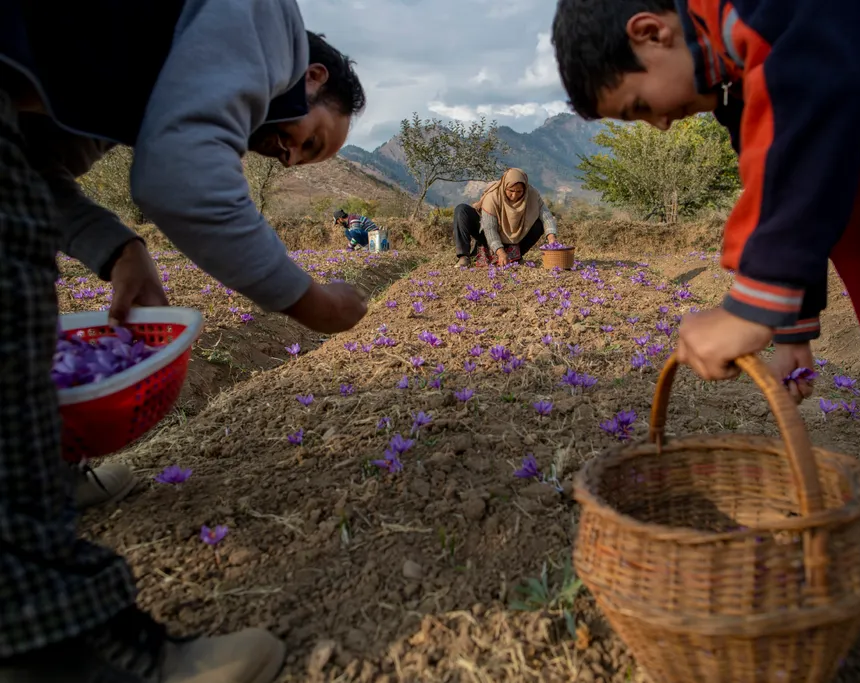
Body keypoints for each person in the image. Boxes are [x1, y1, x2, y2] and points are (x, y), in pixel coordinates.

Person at [552, 0, 860, 616]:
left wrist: (749, 310)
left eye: (639, 106)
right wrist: (789, 325)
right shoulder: (731, 67)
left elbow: (817, 103)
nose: (660, 124)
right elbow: (776, 174)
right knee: (859, 216)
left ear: (651, 32)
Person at [0, 0, 369, 680]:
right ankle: (56, 644)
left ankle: (37, 482)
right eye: (311, 141)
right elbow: (179, 178)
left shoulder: (134, 75)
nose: (286, 157)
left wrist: (116, 248)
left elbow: (26, 172)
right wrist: (312, 302)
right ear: (311, 76)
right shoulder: (268, 22)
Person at [453, 168, 559, 269]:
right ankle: (464, 257)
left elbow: (547, 217)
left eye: (519, 192)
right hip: (489, 235)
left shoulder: (532, 194)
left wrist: (551, 238)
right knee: (461, 210)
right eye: (511, 191)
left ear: (525, 189)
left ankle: (515, 256)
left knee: (539, 224)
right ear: (504, 187)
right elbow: (490, 229)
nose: (514, 196)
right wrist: (500, 252)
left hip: (516, 239)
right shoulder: (493, 196)